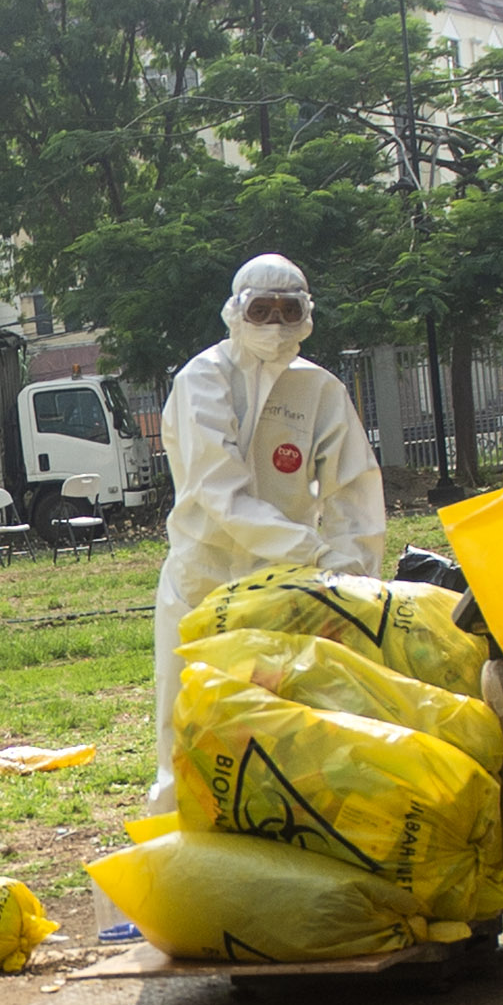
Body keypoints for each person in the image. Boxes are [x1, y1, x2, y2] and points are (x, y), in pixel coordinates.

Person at [145, 254, 385, 812]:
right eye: (261, 310)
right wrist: (316, 551)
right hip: (204, 578)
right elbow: (220, 494)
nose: (275, 325)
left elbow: (355, 489)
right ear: (235, 312)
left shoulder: (319, 390)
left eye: (288, 310)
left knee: (287, 725)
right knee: (189, 726)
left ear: (307, 315)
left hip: (287, 588)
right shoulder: (203, 379)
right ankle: (187, 858)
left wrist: (355, 579)